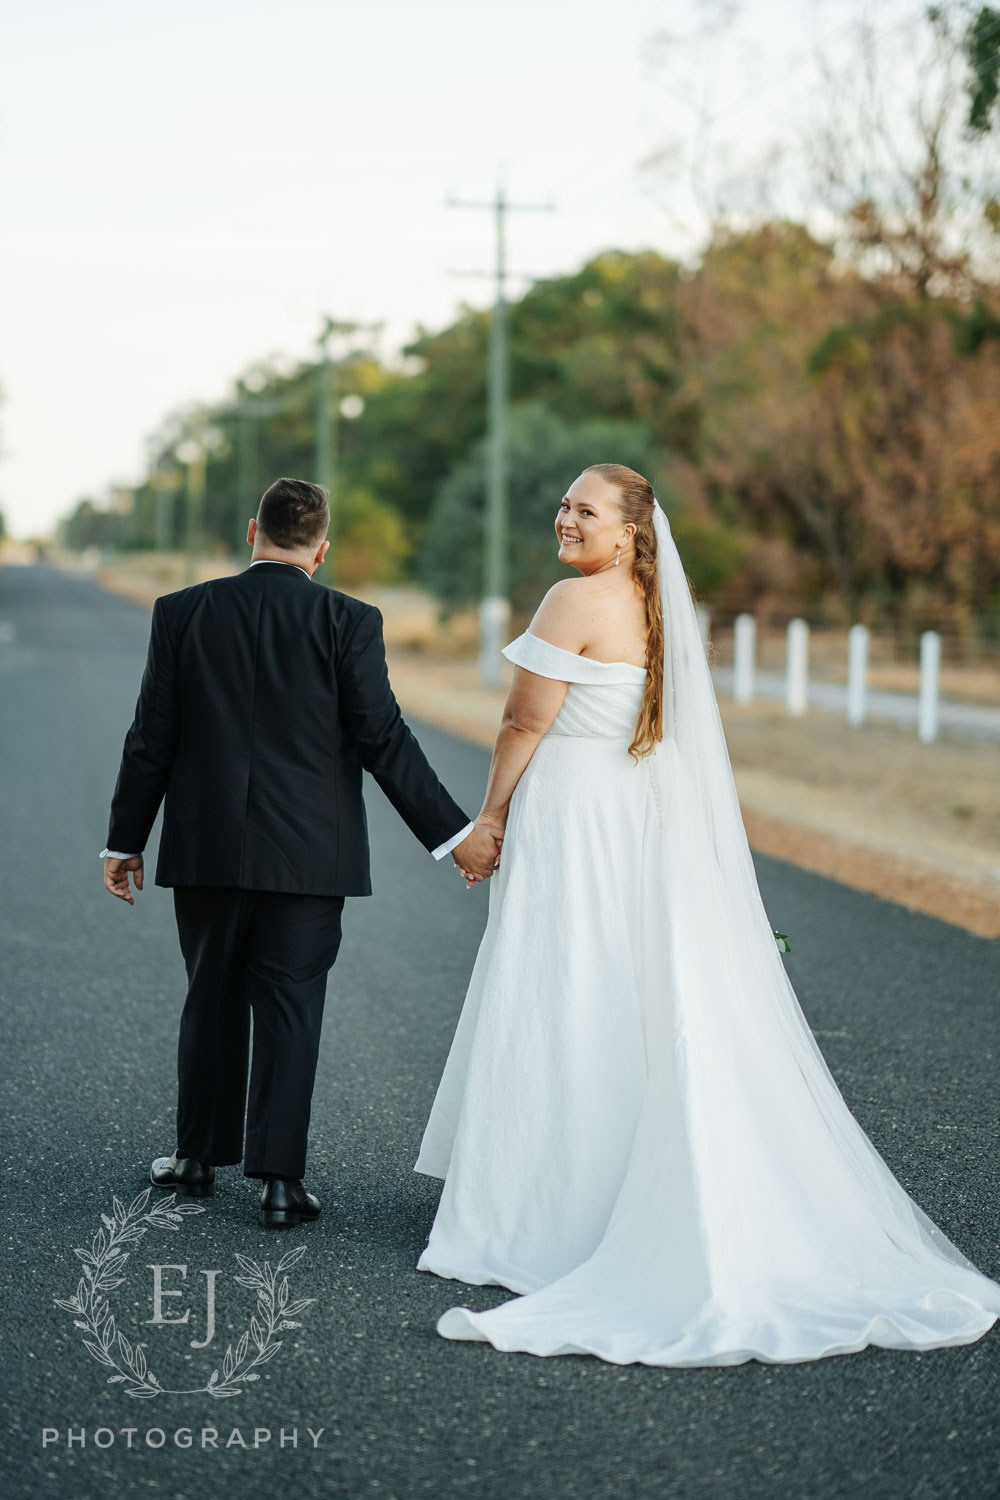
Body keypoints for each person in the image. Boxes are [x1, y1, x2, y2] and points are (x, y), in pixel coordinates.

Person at [413, 461, 1000, 1366]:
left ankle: (548, 1205)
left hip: (575, 815)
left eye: (586, 509)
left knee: (561, 986)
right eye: (564, 504)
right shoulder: (658, 607)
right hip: (633, 814)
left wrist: (489, 818)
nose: (566, 519)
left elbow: (522, 724)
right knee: (622, 990)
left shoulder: (573, 603)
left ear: (630, 531)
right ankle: (613, 1188)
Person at [101, 477, 500, 1228]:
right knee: (291, 1007)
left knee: (210, 994)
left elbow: (151, 736)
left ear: (253, 530)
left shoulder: (183, 612)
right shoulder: (349, 620)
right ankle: (281, 1184)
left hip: (208, 847)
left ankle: (193, 1159)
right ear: (322, 548)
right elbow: (383, 738)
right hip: (310, 857)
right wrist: (455, 838)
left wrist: (124, 840)